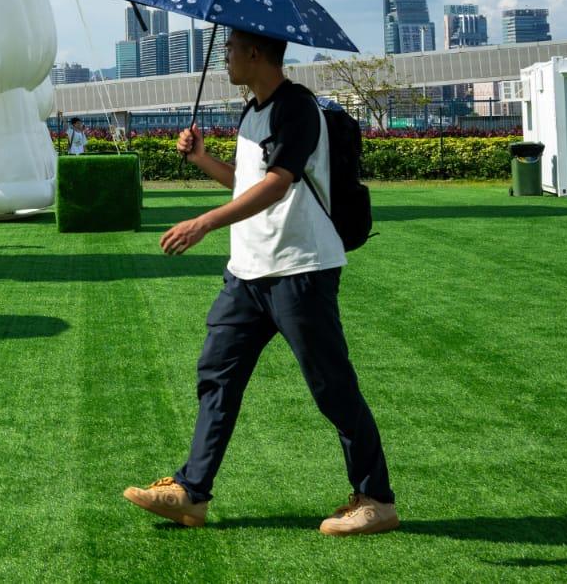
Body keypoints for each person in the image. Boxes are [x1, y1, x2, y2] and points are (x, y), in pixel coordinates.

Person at [122, 30, 397, 536]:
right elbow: (249, 182)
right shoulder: (252, 112)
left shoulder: (297, 107)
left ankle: (376, 499)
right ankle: (191, 493)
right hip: (246, 273)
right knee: (217, 376)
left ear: (255, 53)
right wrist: (202, 158)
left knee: (331, 387)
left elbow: (278, 184)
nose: (224, 57)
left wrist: (204, 222)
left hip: (301, 269)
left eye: (229, 49)